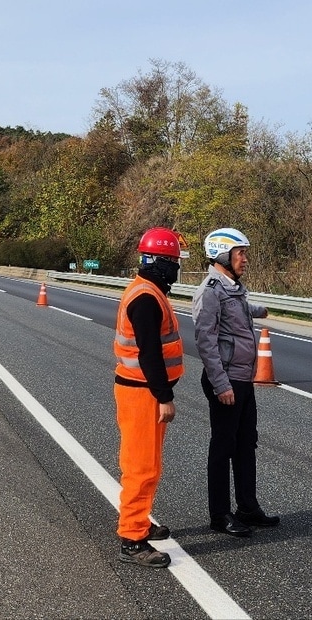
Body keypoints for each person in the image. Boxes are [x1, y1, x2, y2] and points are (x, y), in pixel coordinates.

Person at [192, 227, 278, 537]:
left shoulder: (233, 288)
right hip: (225, 381)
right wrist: (220, 384)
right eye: (240, 253)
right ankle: (220, 515)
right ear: (222, 255)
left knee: (246, 444)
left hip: (242, 378)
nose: (245, 259)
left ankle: (248, 508)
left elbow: (239, 311)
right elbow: (206, 341)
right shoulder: (210, 291)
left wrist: (260, 310)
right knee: (223, 446)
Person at [114, 226, 186, 568]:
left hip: (140, 389)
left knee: (147, 464)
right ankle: (132, 538)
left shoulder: (148, 290)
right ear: (158, 262)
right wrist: (164, 395)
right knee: (141, 466)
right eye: (172, 261)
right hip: (142, 392)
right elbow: (149, 354)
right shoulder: (146, 298)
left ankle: (139, 520)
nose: (176, 268)